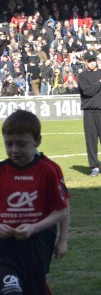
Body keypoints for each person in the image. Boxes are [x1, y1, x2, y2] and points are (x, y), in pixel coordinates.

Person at [0, 110, 70, 294]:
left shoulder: (49, 170)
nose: (14, 150)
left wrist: (61, 239)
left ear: (37, 141)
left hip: (37, 244)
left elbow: (62, 208)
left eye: (21, 144)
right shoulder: (2, 171)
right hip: (5, 246)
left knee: (33, 287)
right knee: (11, 288)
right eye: (9, 144)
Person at [77, 50, 101, 177]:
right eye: (89, 61)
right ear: (85, 62)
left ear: (97, 61)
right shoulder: (82, 76)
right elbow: (88, 91)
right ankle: (94, 166)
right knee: (91, 141)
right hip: (89, 112)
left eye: (94, 60)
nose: (92, 63)